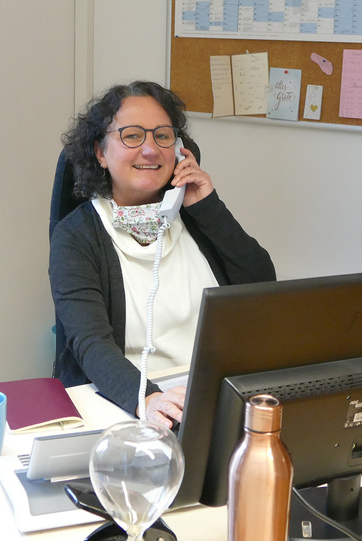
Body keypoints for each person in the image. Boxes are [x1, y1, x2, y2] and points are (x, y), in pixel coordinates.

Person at [49, 81, 275, 428]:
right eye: (132, 136)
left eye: (163, 136)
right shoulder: (76, 237)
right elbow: (91, 343)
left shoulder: (195, 215)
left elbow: (261, 284)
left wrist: (209, 207)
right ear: (100, 153)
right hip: (127, 406)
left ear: (180, 149)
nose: (151, 149)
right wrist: (148, 399)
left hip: (211, 400)